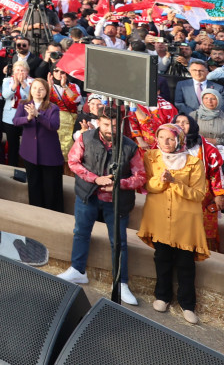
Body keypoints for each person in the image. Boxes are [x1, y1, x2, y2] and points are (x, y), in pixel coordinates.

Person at [59, 105, 145, 306]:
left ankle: (121, 282)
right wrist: (95, 179)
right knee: (80, 232)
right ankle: (78, 270)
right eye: (106, 124)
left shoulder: (130, 147)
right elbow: (73, 162)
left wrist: (119, 184)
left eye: (115, 126)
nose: (110, 129)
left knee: (119, 242)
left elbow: (140, 176)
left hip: (117, 202)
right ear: (99, 121)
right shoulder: (85, 138)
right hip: (87, 195)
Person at [138, 123, 209, 325]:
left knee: (186, 262)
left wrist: (175, 182)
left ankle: (187, 304)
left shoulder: (194, 163)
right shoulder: (151, 157)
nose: (165, 143)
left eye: (170, 139)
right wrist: (162, 181)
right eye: (161, 138)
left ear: (179, 140)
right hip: (159, 217)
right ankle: (162, 296)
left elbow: (198, 194)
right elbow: (147, 185)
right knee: (162, 257)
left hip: (185, 220)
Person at [174, 113, 224, 253]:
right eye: (178, 122)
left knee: (204, 229)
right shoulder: (167, 143)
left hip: (203, 195)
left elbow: (216, 172)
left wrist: (219, 194)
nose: (181, 125)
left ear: (192, 125)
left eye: (185, 122)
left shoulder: (206, 148)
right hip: (176, 193)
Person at [13, 79, 65, 211]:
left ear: (46, 91)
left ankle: (52, 214)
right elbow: (16, 121)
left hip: (49, 155)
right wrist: (28, 118)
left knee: (51, 188)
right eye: (35, 88)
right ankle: (36, 213)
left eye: (41, 89)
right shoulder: (23, 104)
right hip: (30, 152)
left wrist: (38, 115)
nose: (37, 91)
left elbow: (54, 125)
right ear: (30, 89)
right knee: (34, 185)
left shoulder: (52, 108)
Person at [1, 60, 33, 168]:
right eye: (17, 70)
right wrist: (14, 86)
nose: (20, 73)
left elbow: (29, 97)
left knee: (27, 145)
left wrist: (23, 84)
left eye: (22, 70)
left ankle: (26, 167)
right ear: (13, 71)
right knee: (12, 145)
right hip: (10, 117)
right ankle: (12, 166)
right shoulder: (7, 80)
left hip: (26, 117)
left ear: (27, 72)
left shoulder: (31, 82)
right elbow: (5, 96)